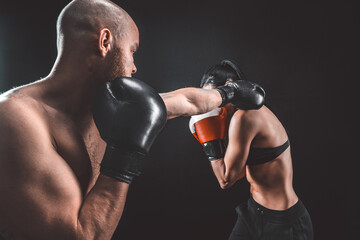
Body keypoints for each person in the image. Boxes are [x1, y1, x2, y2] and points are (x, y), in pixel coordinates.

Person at [0, 1, 265, 239]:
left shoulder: (107, 107)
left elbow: (187, 101)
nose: (134, 67)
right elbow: (80, 236)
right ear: (105, 42)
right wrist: (124, 159)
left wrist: (229, 92)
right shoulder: (17, 120)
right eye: (132, 51)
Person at [189, 60, 313, 240]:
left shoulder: (245, 118)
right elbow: (239, 173)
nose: (211, 106)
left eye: (214, 98)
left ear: (230, 87)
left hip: (284, 223)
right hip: (254, 213)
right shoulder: (242, 115)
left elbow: (226, 180)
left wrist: (210, 142)